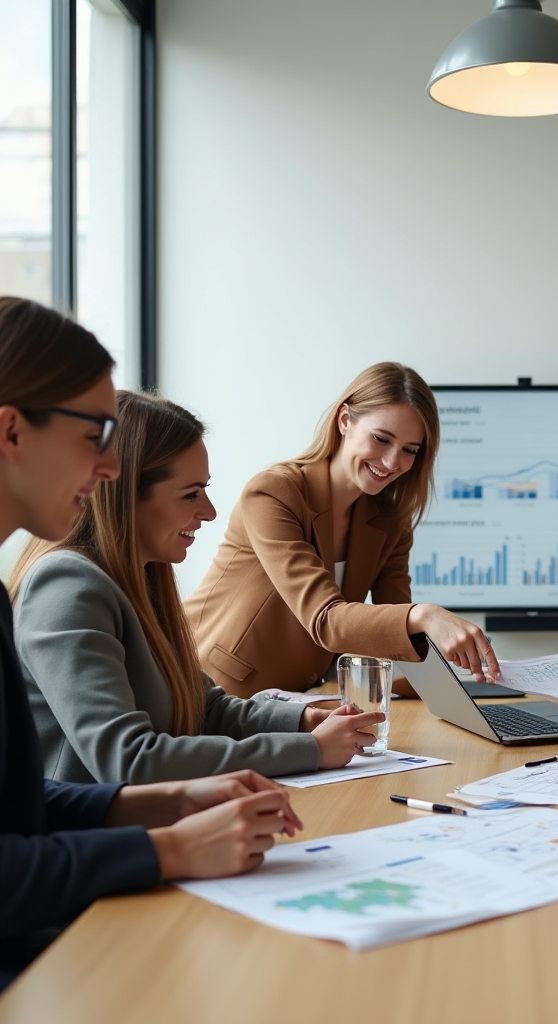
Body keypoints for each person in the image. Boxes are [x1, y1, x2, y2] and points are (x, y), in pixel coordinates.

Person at [0, 297, 303, 988]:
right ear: (12, 430)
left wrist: (157, 805)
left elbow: (19, 804)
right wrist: (166, 848)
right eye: (94, 436)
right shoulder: (65, 583)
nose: (110, 467)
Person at [10, 390, 384, 784]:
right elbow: (130, 760)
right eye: (191, 494)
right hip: (94, 822)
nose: (209, 512)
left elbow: (205, 708)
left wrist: (304, 721)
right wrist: (310, 750)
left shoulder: (139, 580)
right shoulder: (67, 588)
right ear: (124, 494)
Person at [185, 362, 500, 699]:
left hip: (294, 699)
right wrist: (426, 615)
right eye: (381, 439)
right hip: (211, 689)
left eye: (409, 450)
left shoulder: (390, 522)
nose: (392, 462)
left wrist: (471, 677)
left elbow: (395, 629)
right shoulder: (274, 492)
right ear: (345, 420)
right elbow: (325, 619)